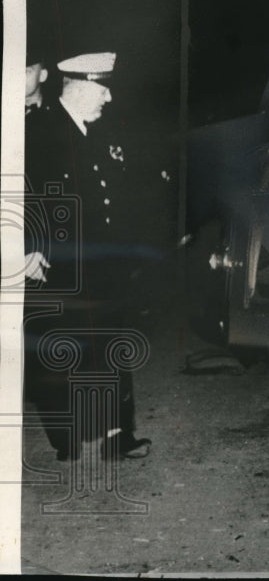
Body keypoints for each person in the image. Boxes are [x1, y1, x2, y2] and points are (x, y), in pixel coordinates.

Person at [23, 50, 151, 461]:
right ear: (77, 88)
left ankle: (117, 436)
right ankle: (67, 439)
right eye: (103, 88)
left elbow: (115, 196)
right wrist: (26, 250)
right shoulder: (38, 133)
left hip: (106, 266)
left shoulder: (99, 131)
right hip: (58, 269)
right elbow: (20, 199)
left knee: (113, 346)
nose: (109, 98)